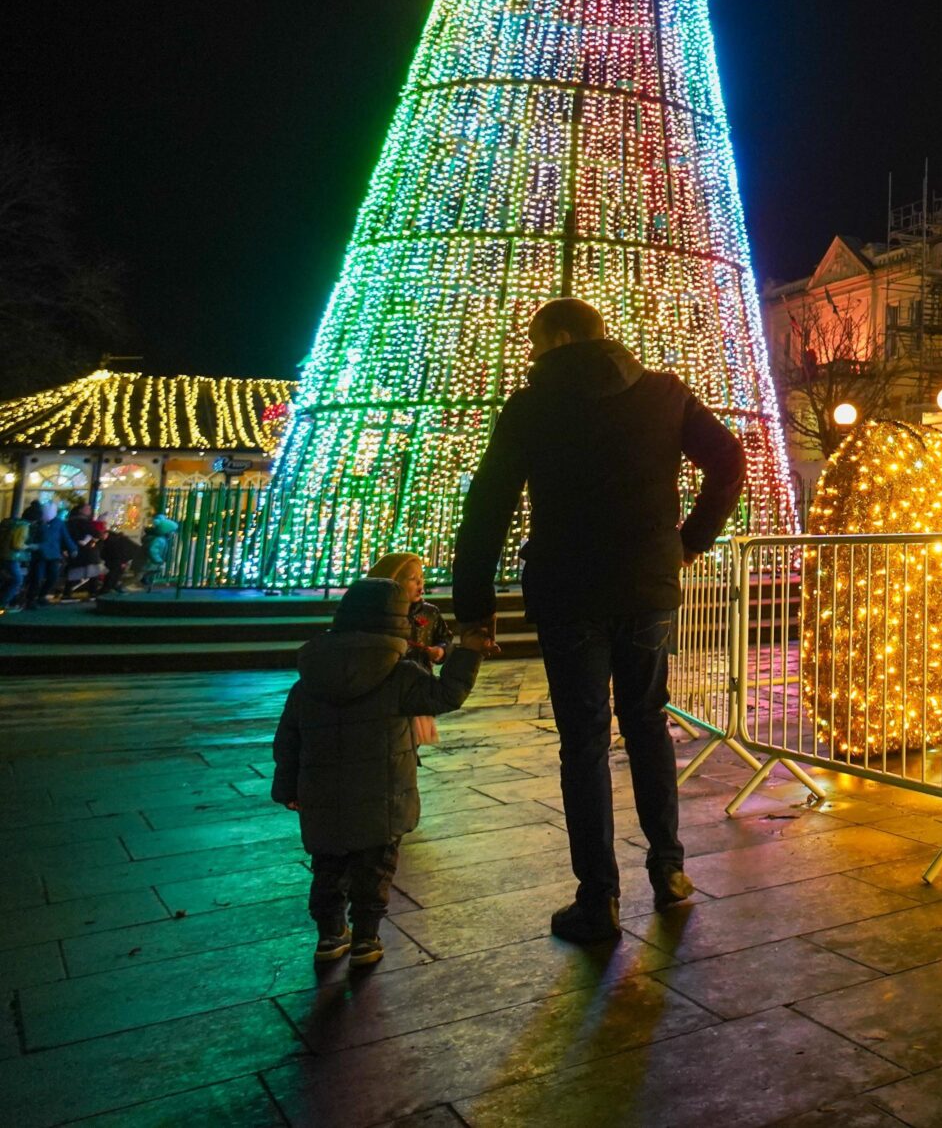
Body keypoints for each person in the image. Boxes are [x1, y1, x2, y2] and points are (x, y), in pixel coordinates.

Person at [452, 296, 746, 946]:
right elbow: (729, 461)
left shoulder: (529, 408)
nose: (532, 357)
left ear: (557, 338)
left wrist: (473, 607)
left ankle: (599, 898)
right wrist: (689, 539)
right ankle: (669, 871)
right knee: (646, 722)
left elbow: (488, 508)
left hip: (567, 592)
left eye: (535, 344)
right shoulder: (665, 393)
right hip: (646, 587)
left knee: (583, 740)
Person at [271, 575, 489, 967]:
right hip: (382, 796)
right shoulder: (399, 673)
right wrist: (469, 653)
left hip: (322, 797)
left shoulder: (310, 678)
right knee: (374, 869)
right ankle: (366, 939)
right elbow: (446, 695)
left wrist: (287, 785)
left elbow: (288, 736)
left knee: (327, 866)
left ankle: (330, 934)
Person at [367, 553, 458, 744]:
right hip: (387, 687)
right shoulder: (380, 614)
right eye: (412, 579)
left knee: (411, 740)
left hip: (418, 685)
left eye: (421, 578)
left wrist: (441, 651)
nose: (420, 584)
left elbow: (446, 638)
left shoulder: (429, 613)